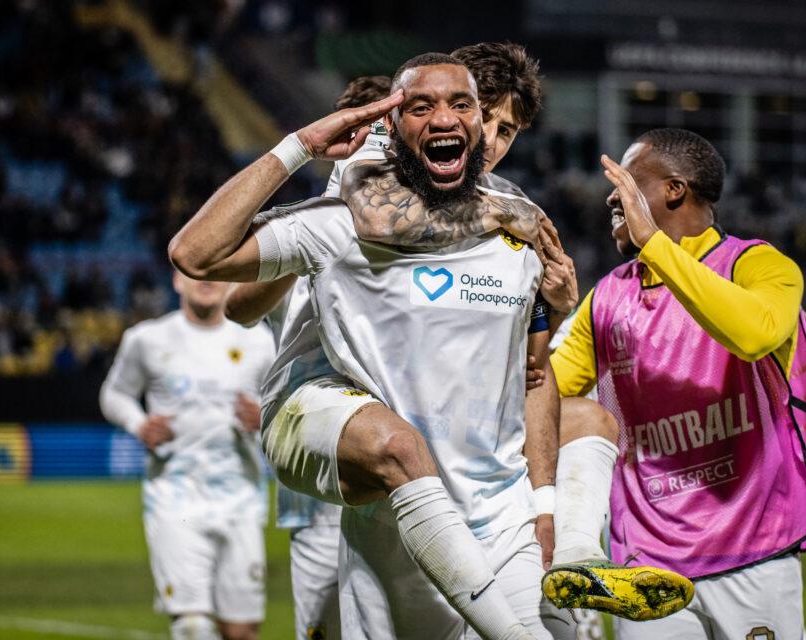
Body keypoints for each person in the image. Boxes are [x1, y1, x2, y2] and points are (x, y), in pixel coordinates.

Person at [170, 53, 688, 639]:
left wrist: (544, 504)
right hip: (332, 423)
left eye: (500, 127)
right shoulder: (359, 200)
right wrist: (303, 148)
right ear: (394, 125)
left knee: (587, 420)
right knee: (396, 449)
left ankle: (578, 556)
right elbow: (211, 266)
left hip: (489, 502)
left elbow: (532, 374)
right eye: (429, 107)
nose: (489, 139)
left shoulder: (517, 233)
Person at [546, 129, 806, 639]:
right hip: (646, 566)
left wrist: (655, 246)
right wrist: (544, 316)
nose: (612, 197)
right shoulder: (607, 299)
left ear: (674, 190)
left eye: (626, 182)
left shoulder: (756, 265)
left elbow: (754, 334)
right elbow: (544, 399)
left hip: (753, 550)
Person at [228, 74, 393, 640]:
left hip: (393, 474)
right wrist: (315, 239)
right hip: (317, 492)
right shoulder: (309, 225)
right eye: (361, 132)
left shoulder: (413, 234)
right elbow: (238, 307)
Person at [99, 273, 274, 640]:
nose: (206, 278)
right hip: (174, 499)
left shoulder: (260, 341)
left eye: (216, 270)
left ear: (232, 280)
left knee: (241, 631)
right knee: (192, 626)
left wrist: (266, 417)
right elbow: (114, 394)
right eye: (196, 269)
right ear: (177, 280)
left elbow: (287, 402)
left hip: (241, 500)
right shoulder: (147, 339)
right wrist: (138, 424)